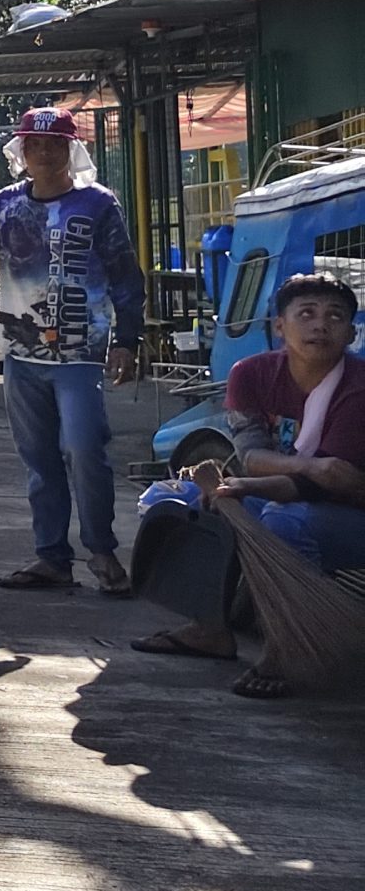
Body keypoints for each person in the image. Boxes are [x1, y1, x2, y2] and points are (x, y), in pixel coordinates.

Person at [0, 109, 142, 596]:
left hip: (79, 356)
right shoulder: (4, 205)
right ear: (21, 151)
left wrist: (127, 340)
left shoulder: (98, 206)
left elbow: (125, 275)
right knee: (39, 459)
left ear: (70, 150)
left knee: (84, 450)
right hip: (21, 356)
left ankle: (101, 549)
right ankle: (51, 557)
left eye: (53, 144)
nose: (42, 152)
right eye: (33, 144)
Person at [132, 273, 365, 698]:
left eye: (335, 317)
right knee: (185, 502)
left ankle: (285, 649)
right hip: (306, 489)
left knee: (284, 522)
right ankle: (210, 629)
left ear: (351, 333)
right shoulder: (251, 374)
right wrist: (308, 468)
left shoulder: (359, 387)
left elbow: (332, 487)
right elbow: (254, 458)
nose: (320, 325)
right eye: (306, 314)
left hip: (350, 514)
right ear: (280, 326)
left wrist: (251, 484)